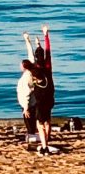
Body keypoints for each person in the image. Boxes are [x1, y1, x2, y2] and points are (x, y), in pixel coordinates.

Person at [32, 25, 56, 155]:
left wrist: (34, 43)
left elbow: (34, 56)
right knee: (47, 120)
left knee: (40, 124)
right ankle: (46, 141)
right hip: (50, 97)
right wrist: (45, 35)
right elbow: (48, 51)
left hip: (40, 100)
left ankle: (44, 146)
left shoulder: (36, 69)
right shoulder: (47, 67)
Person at [18, 32, 38, 140]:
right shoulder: (32, 69)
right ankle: (32, 134)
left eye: (21, 65)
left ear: (24, 67)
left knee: (29, 121)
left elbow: (26, 93)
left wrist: (25, 108)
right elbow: (31, 54)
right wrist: (27, 40)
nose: (20, 66)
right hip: (32, 102)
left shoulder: (27, 77)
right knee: (31, 121)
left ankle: (32, 136)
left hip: (28, 104)